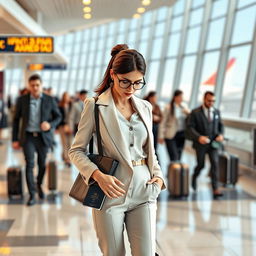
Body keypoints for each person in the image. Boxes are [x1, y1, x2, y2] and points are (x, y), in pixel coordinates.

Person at [69, 44, 166, 256]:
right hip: (109, 192)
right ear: (113, 74)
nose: (131, 88)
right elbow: (76, 151)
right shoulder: (95, 105)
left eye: (138, 82)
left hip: (144, 190)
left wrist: (158, 179)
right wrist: (97, 176)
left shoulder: (145, 108)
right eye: (125, 81)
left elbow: (150, 151)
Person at [12, 74, 61, 206]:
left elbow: (58, 116)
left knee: (42, 165)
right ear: (29, 86)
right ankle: (32, 194)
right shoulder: (22, 100)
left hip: (43, 137)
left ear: (41, 85)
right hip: (27, 137)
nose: (35, 88)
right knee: (29, 164)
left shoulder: (49, 100)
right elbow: (16, 120)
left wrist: (50, 125)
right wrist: (14, 139)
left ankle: (38, 184)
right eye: (32, 85)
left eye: (37, 85)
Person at [187, 91, 224, 199]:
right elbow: (190, 127)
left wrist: (221, 135)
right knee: (201, 164)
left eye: (213, 101)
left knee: (215, 164)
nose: (211, 103)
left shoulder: (216, 112)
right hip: (201, 144)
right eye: (209, 100)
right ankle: (194, 176)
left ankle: (215, 189)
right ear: (204, 99)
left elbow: (221, 126)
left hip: (214, 144)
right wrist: (199, 137)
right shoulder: (195, 112)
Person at [158, 89, 190, 162]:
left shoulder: (184, 106)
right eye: (180, 97)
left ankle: (175, 172)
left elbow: (190, 118)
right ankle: (171, 172)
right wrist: (161, 136)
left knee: (179, 156)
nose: (182, 98)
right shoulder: (168, 107)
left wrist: (187, 112)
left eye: (182, 97)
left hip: (182, 134)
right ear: (175, 97)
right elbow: (163, 122)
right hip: (170, 135)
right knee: (174, 156)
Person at [58, 92, 73, 166]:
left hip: (70, 126)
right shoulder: (60, 106)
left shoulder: (71, 105)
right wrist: (64, 125)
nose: (67, 98)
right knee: (64, 143)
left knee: (70, 142)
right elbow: (59, 117)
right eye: (66, 96)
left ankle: (65, 156)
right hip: (62, 127)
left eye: (68, 96)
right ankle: (67, 159)